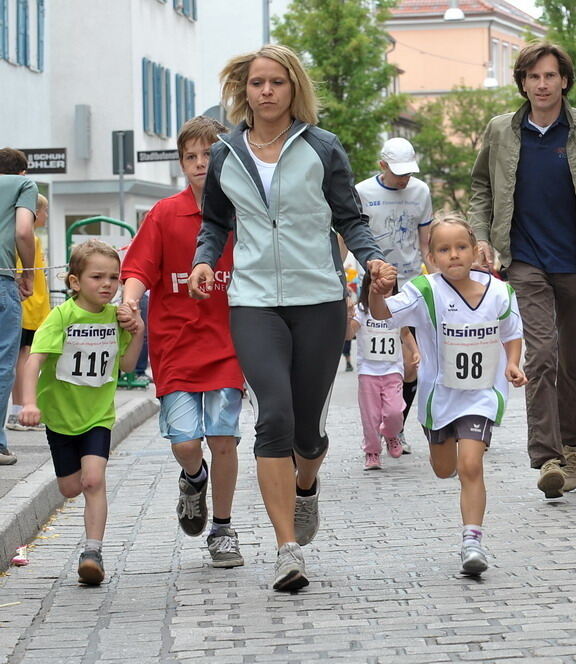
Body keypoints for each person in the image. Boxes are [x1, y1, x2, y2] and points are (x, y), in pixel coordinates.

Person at [188, 44, 395, 592]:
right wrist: (204, 260)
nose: (266, 92)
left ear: (292, 87)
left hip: (319, 299)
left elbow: (350, 218)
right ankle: (286, 549)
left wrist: (371, 257)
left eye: (277, 82)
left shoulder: (322, 147)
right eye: (257, 83)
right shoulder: (227, 153)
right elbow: (214, 222)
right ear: (244, 90)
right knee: (273, 416)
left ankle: (307, 487)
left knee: (308, 431)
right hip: (254, 301)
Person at [469, 41, 576, 499]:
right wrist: (483, 235)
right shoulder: (501, 131)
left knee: (574, 362)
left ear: (564, 81)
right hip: (523, 261)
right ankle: (547, 456)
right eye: (533, 76)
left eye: (550, 76)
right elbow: (481, 187)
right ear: (522, 82)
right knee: (540, 355)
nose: (542, 84)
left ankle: (572, 442)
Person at [119, 116, 246, 568]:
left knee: (223, 437)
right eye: (190, 156)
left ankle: (223, 530)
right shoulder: (165, 214)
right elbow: (137, 269)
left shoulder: (241, 213)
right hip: (175, 345)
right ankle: (193, 480)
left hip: (229, 346)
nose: (199, 164)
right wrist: (130, 302)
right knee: (187, 443)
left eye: (208, 155)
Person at [368, 215, 526, 575]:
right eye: (444, 249)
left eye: (461, 247)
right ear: (432, 257)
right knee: (444, 470)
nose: (453, 255)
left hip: (481, 395)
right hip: (438, 398)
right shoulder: (424, 291)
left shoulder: (500, 291)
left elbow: (511, 331)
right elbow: (384, 316)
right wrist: (379, 292)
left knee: (471, 465)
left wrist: (513, 364)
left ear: (475, 251)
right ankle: (445, 453)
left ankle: (472, 542)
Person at [19, 240, 145, 584]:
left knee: (93, 480)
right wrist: (29, 403)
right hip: (60, 417)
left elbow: (129, 366)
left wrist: (138, 331)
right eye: (97, 277)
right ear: (75, 282)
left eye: (114, 278)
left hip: (98, 416)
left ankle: (93, 553)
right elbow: (34, 361)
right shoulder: (62, 316)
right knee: (71, 488)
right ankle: (91, 548)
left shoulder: (118, 319)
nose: (107, 284)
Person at [355, 137, 434, 454]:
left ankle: (395, 427)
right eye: (398, 172)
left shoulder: (421, 192)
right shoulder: (362, 192)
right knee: (377, 361)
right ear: (382, 166)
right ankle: (375, 429)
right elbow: (350, 238)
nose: (404, 179)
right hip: (372, 283)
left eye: (409, 173)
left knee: (411, 363)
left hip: (410, 282)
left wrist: (437, 280)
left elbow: (425, 243)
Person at [348, 271, 419, 470]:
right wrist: (347, 318)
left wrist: (415, 352)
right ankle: (372, 451)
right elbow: (349, 333)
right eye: (378, 286)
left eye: (388, 288)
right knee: (370, 417)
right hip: (368, 373)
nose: (384, 292)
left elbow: (405, 333)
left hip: (392, 370)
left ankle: (391, 434)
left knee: (395, 411)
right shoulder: (362, 311)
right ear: (369, 287)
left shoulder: (397, 310)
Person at [0, 147, 36, 465]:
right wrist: (28, 271)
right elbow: (24, 230)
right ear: (21, 173)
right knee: (2, 366)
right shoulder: (23, 185)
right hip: (1, 280)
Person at [8, 194, 51, 432]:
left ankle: (19, 410)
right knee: (24, 359)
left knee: (22, 358)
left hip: (34, 308)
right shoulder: (28, 239)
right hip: (29, 308)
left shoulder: (31, 239)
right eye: (44, 212)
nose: (46, 217)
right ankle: (21, 409)